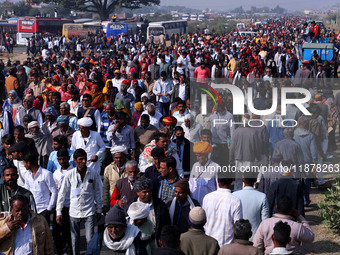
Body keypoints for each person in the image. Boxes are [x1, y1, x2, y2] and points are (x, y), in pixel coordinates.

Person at [56, 149, 103, 255]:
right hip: (74, 211)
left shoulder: (93, 173)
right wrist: (58, 212)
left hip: (89, 210)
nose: (83, 161)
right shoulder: (70, 174)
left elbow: (98, 191)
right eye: (80, 159)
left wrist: (99, 209)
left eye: (85, 159)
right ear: (75, 161)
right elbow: (61, 193)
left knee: (89, 239)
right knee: (74, 240)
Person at [202, 174, 242, 246]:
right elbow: (238, 227)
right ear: (232, 181)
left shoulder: (207, 198)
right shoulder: (235, 201)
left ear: (217, 180)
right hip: (226, 246)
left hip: (208, 245)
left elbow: (203, 222)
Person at [23, 150, 57, 225]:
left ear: (29, 163)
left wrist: (49, 208)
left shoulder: (46, 174)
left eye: (24, 163)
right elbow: (27, 192)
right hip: (32, 210)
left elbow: (54, 191)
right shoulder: (27, 175)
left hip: (44, 210)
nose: (24, 165)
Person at [52, 148, 72, 255]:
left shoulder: (73, 171)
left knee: (68, 232)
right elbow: (55, 190)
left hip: (71, 206)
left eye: (64, 159)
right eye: (59, 159)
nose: (62, 162)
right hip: (59, 206)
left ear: (68, 158)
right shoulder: (56, 173)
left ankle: (70, 251)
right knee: (56, 232)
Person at [102, 146, 128, 213]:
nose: (119, 160)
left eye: (121, 157)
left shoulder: (130, 167)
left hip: (128, 201)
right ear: (113, 158)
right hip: (113, 201)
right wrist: (105, 204)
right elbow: (105, 187)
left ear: (125, 157)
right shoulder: (108, 169)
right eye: (116, 158)